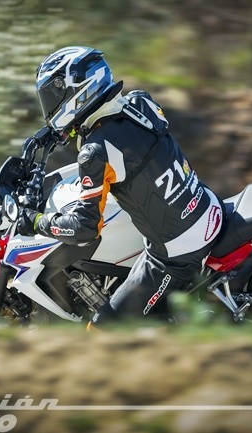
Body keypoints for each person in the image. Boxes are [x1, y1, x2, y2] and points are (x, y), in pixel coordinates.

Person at [17, 46, 224, 327]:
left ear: (75, 92)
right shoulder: (141, 103)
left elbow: (83, 229)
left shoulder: (95, 153)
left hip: (178, 252)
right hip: (206, 208)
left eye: (51, 98)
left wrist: (37, 221)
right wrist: (60, 132)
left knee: (102, 331)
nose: (49, 106)